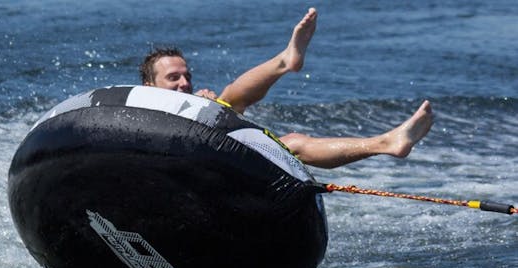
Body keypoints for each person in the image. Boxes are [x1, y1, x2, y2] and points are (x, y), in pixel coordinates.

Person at [139, 8, 433, 169]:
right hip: (170, 166)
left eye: (187, 76)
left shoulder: (198, 103)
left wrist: (207, 110)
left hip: (214, 169)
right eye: (173, 78)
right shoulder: (133, 111)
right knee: (228, 101)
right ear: (149, 85)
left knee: (289, 143)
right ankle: (284, 60)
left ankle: (386, 143)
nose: (185, 83)